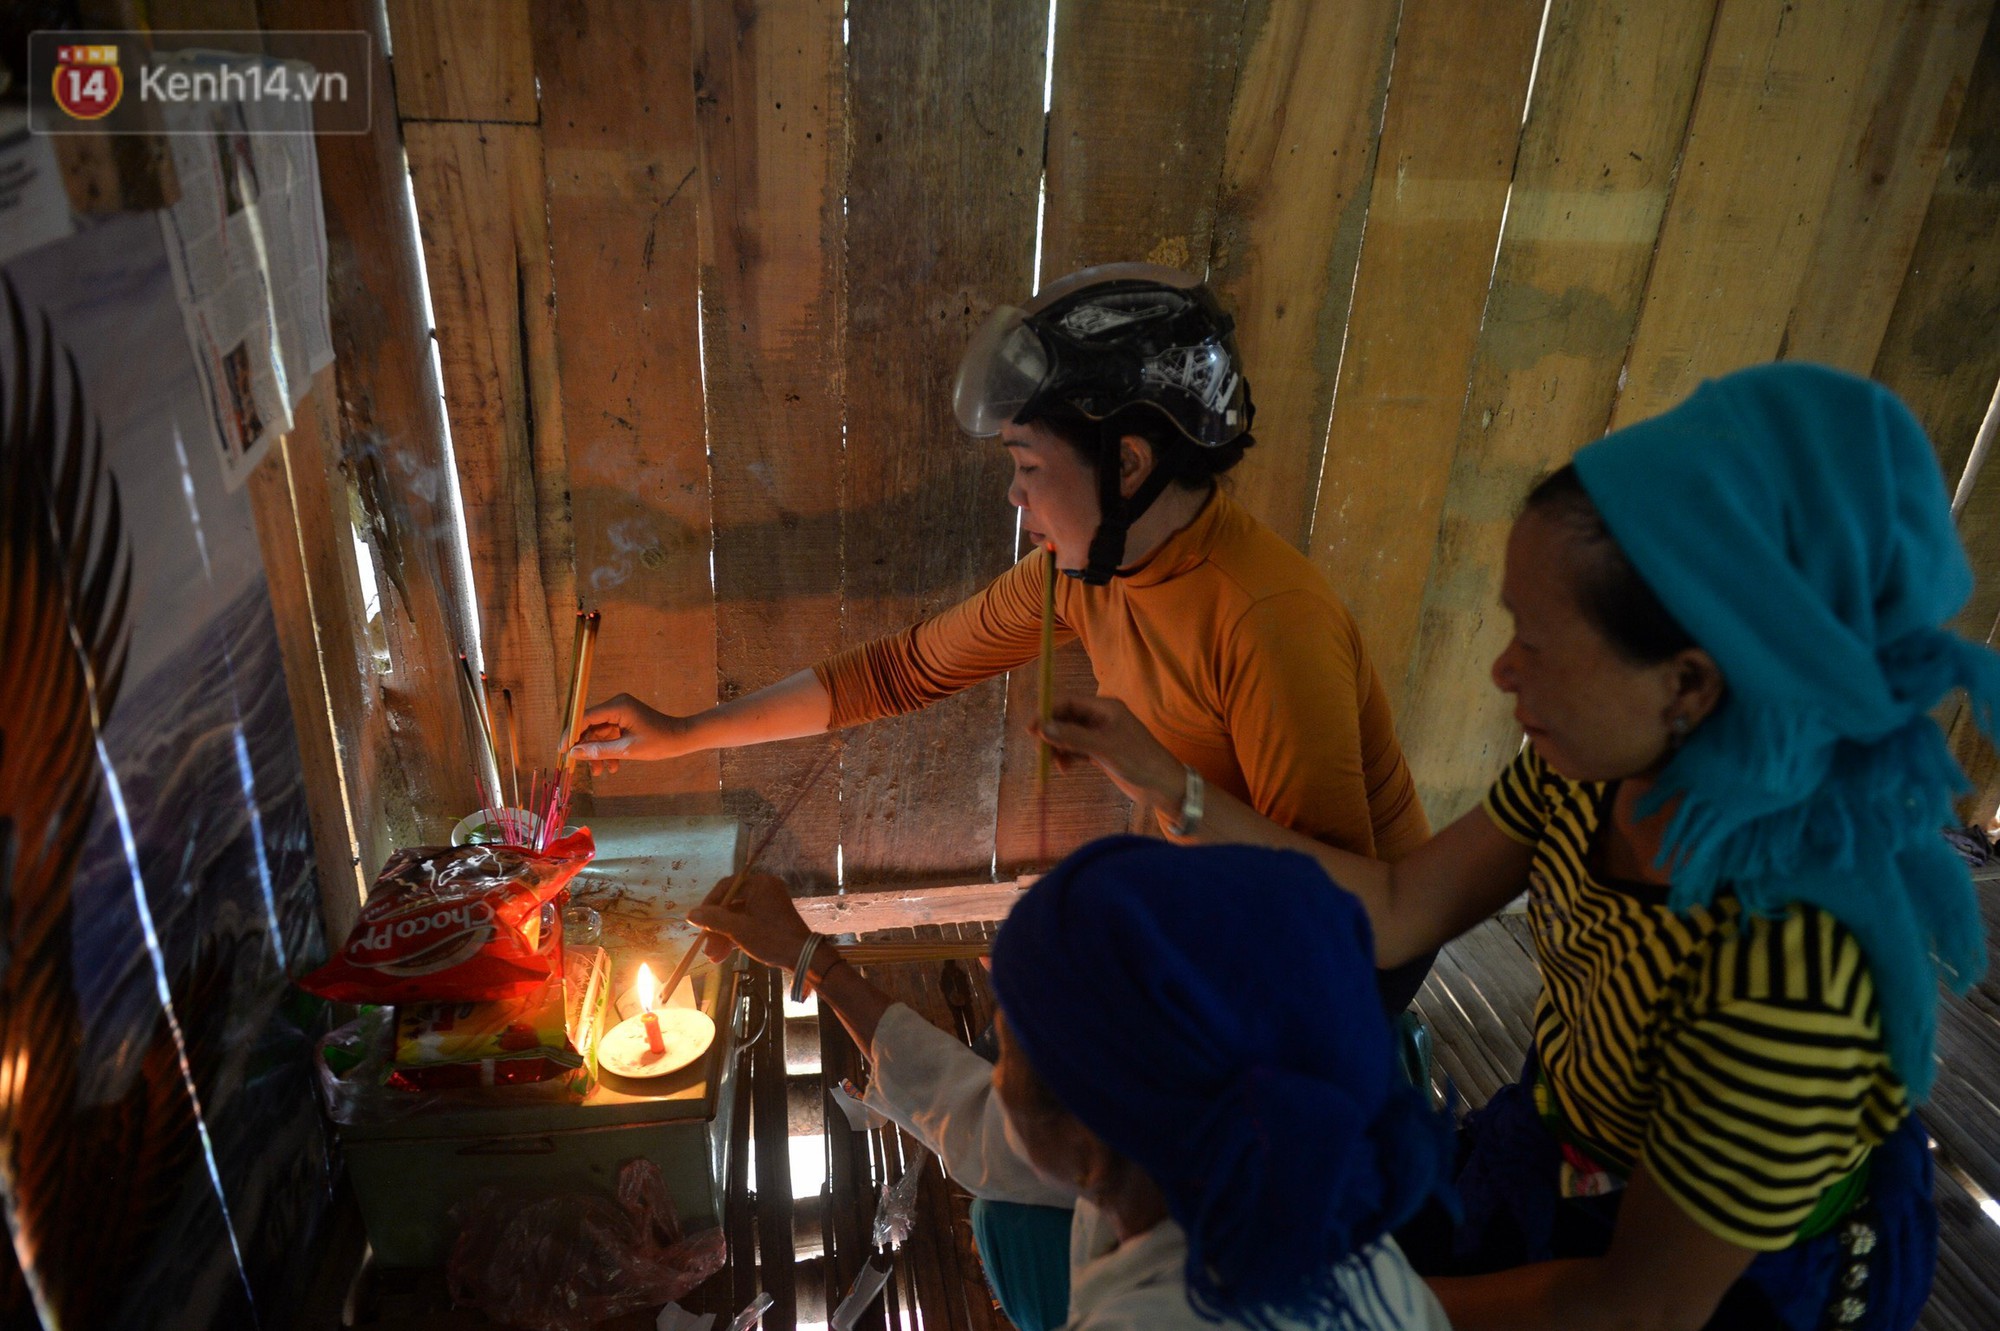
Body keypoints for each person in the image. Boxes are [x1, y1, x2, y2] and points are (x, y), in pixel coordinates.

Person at [1036, 363, 1998, 1330]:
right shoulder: (1593, 773)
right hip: (1566, 1153)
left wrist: (1347, 1307)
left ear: (1688, 685)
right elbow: (1400, 905)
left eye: (1535, 642)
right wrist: (1173, 787)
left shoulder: (1790, 975)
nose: (1501, 669)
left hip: (1714, 1284)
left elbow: (1639, 1304)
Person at [571, 263, 1434, 1008]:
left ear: (1128, 465)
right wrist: (684, 733)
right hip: (1221, 900)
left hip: (1334, 970)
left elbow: (1345, 921)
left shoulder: (1268, 621)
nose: (1014, 498)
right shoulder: (1087, 572)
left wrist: (1120, 978)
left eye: (1027, 465)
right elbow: (899, 672)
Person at [686, 836, 1456, 1331]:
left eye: (1006, 1043)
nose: (989, 1065)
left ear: (1088, 1130)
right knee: (1003, 1215)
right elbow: (976, 1121)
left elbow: (982, 1123)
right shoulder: (1211, 1153)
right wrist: (810, 957)